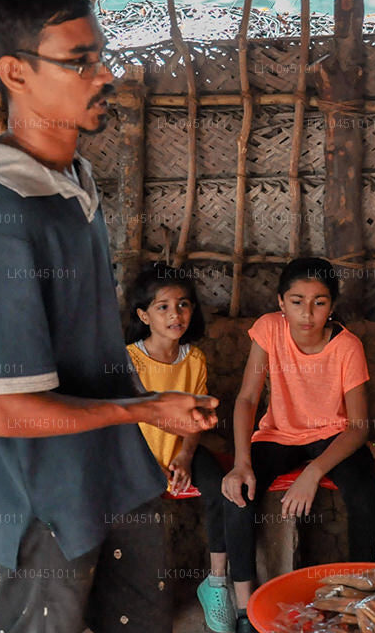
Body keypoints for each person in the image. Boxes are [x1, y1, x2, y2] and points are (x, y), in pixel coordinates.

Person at [0, 0, 218, 633]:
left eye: (100, 55)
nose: (103, 75)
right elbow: (3, 412)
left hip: (114, 477)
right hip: (46, 503)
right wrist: (151, 406)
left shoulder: (74, 181)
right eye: (79, 61)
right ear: (15, 73)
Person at [221, 257, 375, 633]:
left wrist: (314, 470)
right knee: (238, 491)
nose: (307, 313)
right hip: (279, 435)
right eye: (297, 301)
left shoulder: (347, 347)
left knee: (362, 493)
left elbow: (358, 427)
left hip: (334, 436)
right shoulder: (269, 330)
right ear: (280, 302)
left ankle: (361, 600)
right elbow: (246, 399)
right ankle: (245, 608)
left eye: (319, 302)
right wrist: (241, 461)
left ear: (332, 306)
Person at [124, 264, 230, 632]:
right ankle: (143, 592)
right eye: (163, 307)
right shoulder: (128, 360)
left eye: (183, 305)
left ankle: (217, 582)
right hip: (139, 454)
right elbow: (125, 421)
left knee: (223, 489)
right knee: (140, 505)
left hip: (180, 448)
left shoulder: (195, 359)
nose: (176, 314)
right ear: (143, 315)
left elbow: (196, 419)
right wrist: (152, 463)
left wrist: (185, 456)